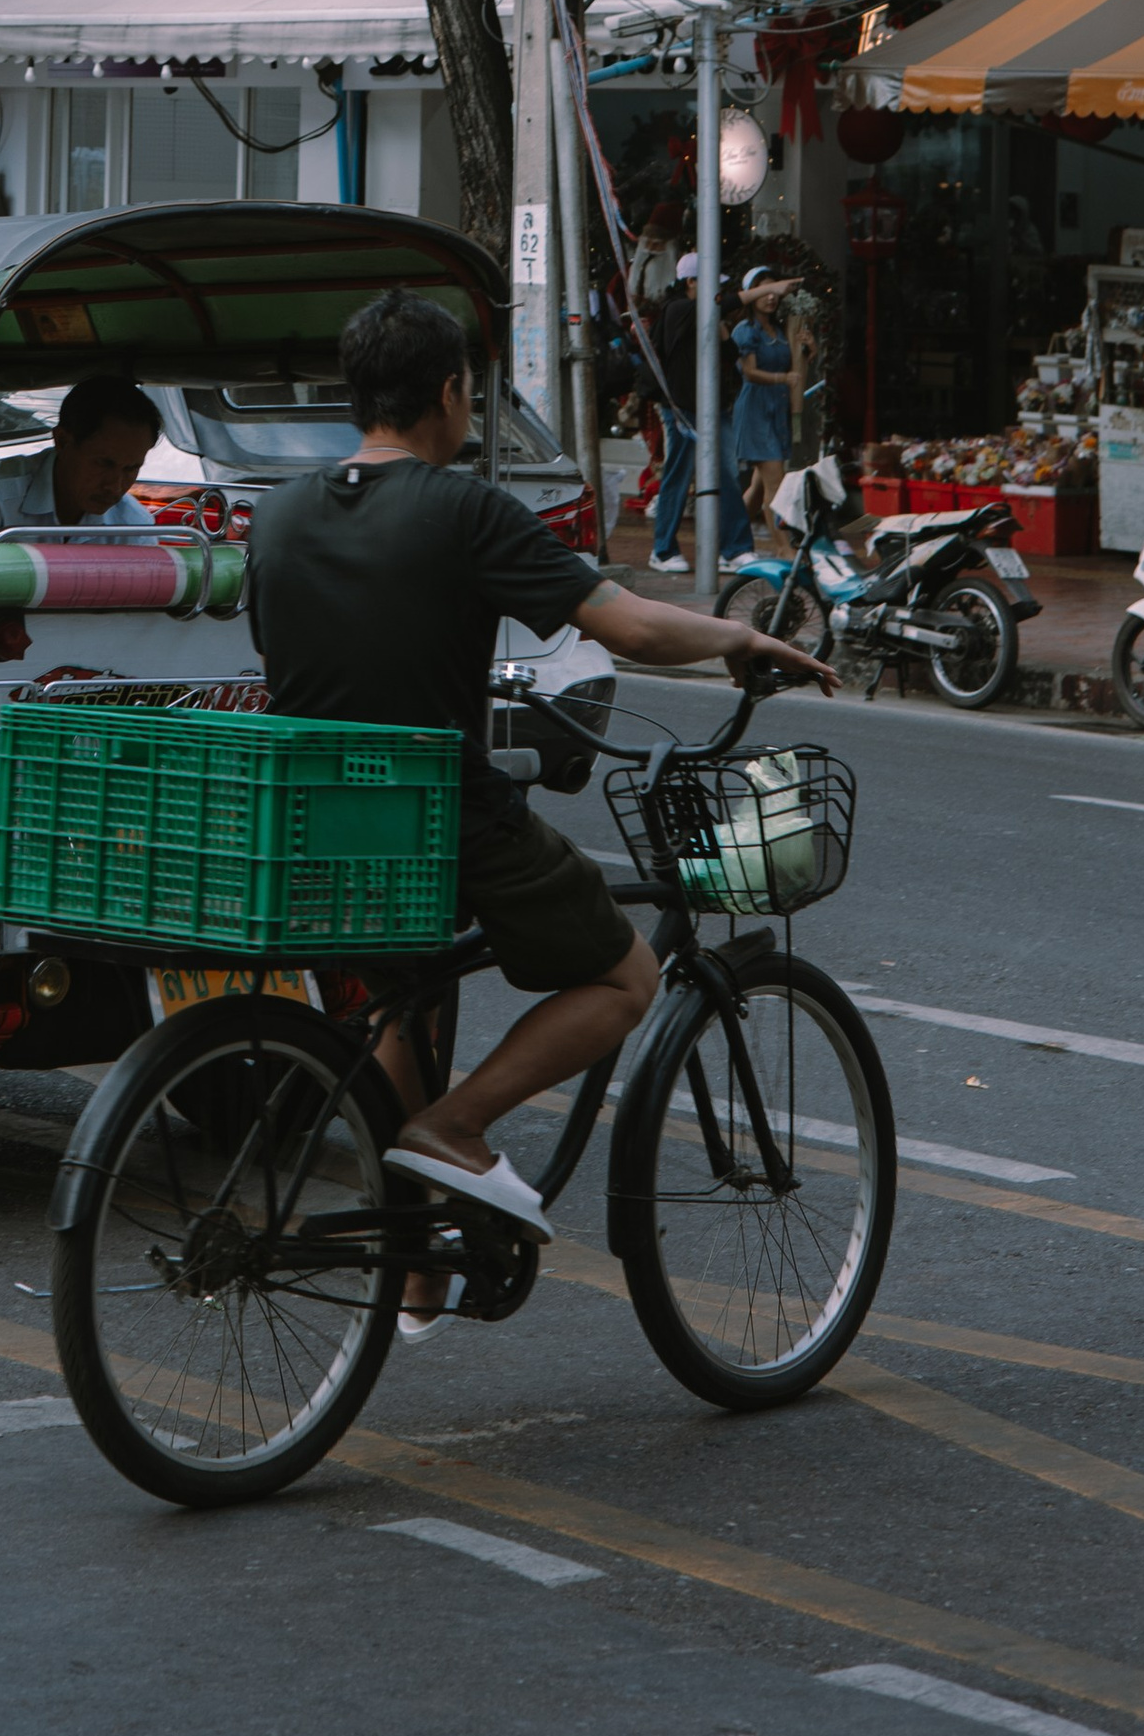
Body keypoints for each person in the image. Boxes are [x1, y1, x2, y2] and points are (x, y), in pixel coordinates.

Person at [247, 287, 834, 1326]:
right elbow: (628, 626)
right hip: (442, 813)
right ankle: (456, 1127)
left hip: (318, 819)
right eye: (469, 391)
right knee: (625, 972)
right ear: (447, 394)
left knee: (408, 999)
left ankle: (418, 1257)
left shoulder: (281, 513)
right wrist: (738, 639)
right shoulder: (460, 507)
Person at [0, 369, 161, 535]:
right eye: (103, 463)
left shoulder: (133, 524)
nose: (114, 486)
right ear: (62, 440)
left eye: (131, 469)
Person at [646, 253, 754, 573]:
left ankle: (734, 549)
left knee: (728, 475)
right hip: (682, 407)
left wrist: (722, 331)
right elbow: (728, 302)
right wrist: (763, 290)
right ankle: (663, 550)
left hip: (715, 406)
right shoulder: (677, 309)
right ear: (691, 283)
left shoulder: (708, 316)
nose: (717, 294)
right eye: (711, 286)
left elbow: (731, 356)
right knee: (679, 475)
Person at [729, 265, 811, 532]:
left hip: (778, 408)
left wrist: (810, 349)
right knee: (776, 484)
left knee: (758, 486)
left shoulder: (781, 330)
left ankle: (730, 539)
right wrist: (781, 379)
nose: (772, 297)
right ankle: (783, 548)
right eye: (766, 290)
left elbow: (796, 367)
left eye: (776, 291)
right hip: (755, 409)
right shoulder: (745, 330)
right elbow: (750, 372)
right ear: (752, 294)